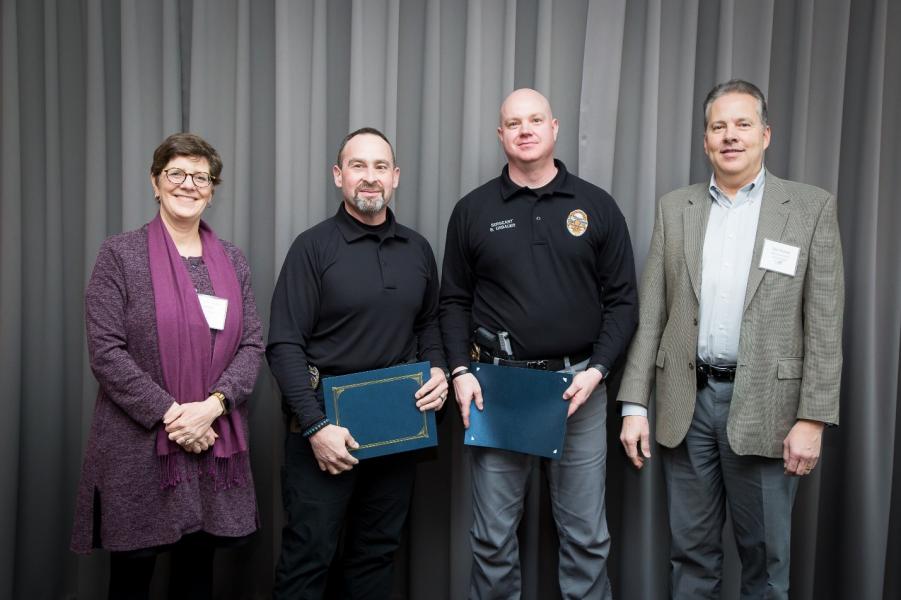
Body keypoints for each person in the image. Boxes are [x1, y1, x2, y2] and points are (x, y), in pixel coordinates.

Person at [618, 79, 844, 598]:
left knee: (765, 564)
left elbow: (826, 323)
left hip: (768, 406)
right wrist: (634, 404)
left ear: (765, 135)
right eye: (719, 126)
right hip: (687, 406)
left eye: (743, 125)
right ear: (705, 141)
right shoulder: (676, 208)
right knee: (690, 557)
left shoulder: (809, 208)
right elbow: (652, 311)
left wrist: (812, 418)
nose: (730, 136)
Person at [440, 88, 638, 599]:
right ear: (500, 135)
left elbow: (623, 303)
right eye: (513, 123)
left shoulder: (596, 206)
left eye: (534, 120)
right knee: (492, 538)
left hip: (579, 389)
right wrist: (460, 372)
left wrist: (597, 373)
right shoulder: (472, 210)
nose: (524, 130)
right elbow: (454, 301)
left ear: (553, 129)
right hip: (499, 388)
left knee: (586, 537)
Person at [70, 133, 265, 599]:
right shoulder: (119, 255)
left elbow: (253, 343)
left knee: (197, 573)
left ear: (212, 189)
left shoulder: (233, 260)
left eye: (201, 177)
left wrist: (212, 407)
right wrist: (176, 415)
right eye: (176, 173)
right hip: (139, 448)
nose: (188, 185)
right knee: (132, 578)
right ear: (155, 182)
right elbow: (106, 351)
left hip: (213, 440)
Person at [267, 127, 449, 599]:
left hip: (398, 427)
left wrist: (438, 370)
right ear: (338, 175)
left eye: (380, 167)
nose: (370, 178)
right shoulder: (312, 248)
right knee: (309, 557)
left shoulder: (418, 249)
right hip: (323, 431)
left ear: (396, 177)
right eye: (358, 166)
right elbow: (284, 344)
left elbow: (429, 323)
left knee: (375, 554)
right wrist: (314, 427)